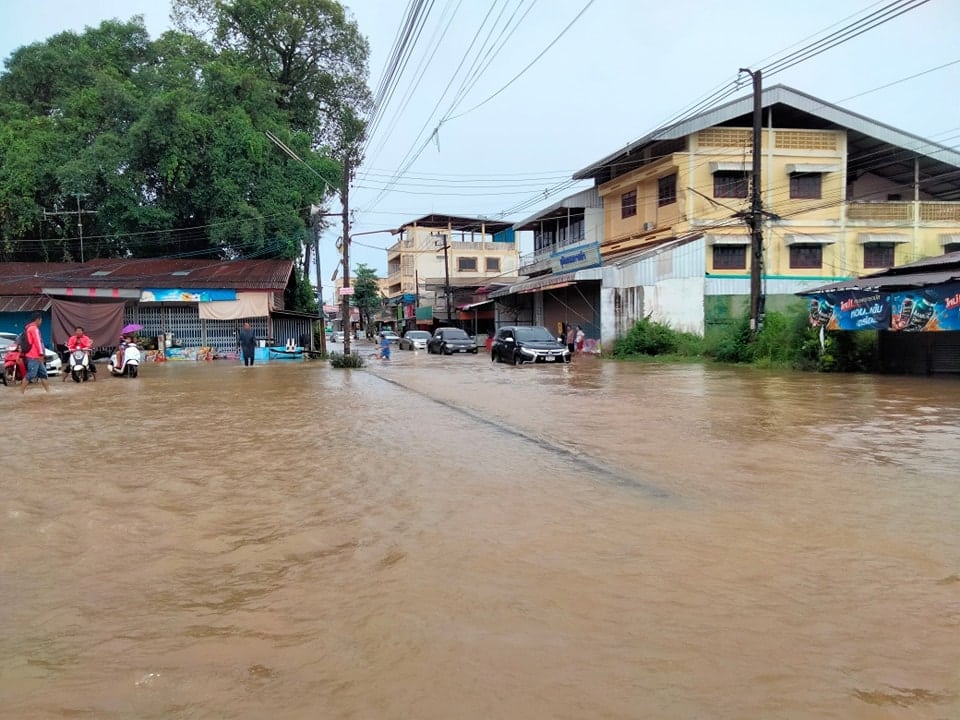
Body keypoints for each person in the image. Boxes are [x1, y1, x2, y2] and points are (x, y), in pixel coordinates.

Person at [20, 313, 49, 394]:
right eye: (41, 320)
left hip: (35, 356)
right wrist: (41, 354)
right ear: (37, 319)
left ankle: (48, 392)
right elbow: (37, 342)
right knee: (31, 374)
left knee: (43, 374)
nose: (41, 322)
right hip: (34, 356)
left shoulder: (28, 328)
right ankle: (21, 392)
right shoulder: (33, 329)